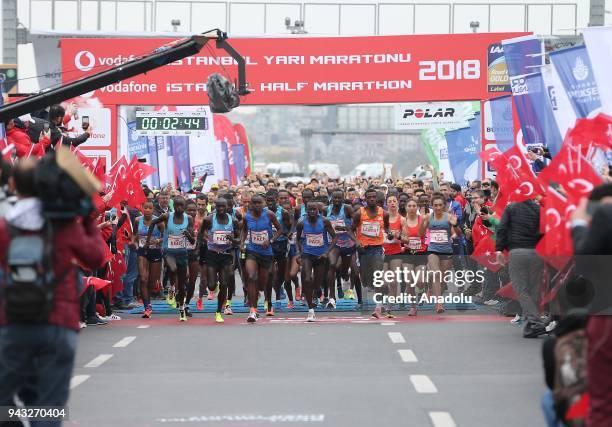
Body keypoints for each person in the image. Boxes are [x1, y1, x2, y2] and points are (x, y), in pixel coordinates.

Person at [0, 152, 106, 425]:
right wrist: (87, 218)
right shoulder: (65, 226)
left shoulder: (4, 226)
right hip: (58, 326)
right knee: (48, 408)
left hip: (12, 325)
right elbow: (95, 257)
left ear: (13, 185)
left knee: (5, 401)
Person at [495, 198, 544, 338]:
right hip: (536, 252)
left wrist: (499, 249)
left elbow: (502, 228)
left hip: (517, 251)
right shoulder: (539, 208)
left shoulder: (511, 208)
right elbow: (544, 230)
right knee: (534, 288)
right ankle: (531, 325)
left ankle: (535, 322)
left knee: (521, 289)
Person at [147, 196, 195, 322]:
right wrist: (148, 240)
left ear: (184, 207)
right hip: (168, 251)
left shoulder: (189, 219)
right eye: (177, 205)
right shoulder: (167, 216)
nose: (179, 208)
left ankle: (181, 309)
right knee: (172, 269)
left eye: (181, 206)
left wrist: (188, 234)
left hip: (182, 253)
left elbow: (192, 240)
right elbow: (153, 223)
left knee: (183, 285)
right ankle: (171, 288)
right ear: (174, 206)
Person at [241, 194, 283, 323]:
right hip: (252, 251)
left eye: (259, 203)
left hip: (266, 253)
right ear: (251, 204)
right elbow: (243, 231)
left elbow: (280, 230)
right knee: (252, 277)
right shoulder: (247, 216)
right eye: (254, 203)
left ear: (263, 203)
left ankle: (258, 296)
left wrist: (270, 240)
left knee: (261, 284)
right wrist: (242, 244)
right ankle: (253, 310)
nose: (257, 205)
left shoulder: (269, 214)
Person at [352, 187, 391, 319]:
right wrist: (357, 242)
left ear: (377, 198)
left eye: (374, 197)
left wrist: (389, 233)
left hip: (377, 248)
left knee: (378, 276)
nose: (372, 199)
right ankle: (384, 293)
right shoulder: (359, 213)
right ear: (365, 199)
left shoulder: (384, 213)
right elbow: (350, 230)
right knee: (366, 281)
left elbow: (386, 227)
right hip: (363, 250)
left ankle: (378, 307)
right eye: (369, 197)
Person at [199, 198, 239, 323]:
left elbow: (238, 238)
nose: (221, 209)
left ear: (228, 207)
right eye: (218, 207)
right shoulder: (209, 219)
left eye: (223, 206)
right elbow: (201, 234)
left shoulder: (233, 220)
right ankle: (213, 286)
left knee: (224, 283)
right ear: (215, 207)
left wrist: (233, 240)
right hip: (212, 254)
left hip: (226, 255)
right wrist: (208, 240)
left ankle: (218, 312)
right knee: (211, 285)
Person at [296, 201, 337, 322]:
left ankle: (314, 293)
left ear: (318, 211)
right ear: (306, 211)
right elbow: (298, 239)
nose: (312, 212)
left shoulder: (324, 221)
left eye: (314, 210)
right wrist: (300, 252)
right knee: (307, 279)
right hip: (307, 255)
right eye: (309, 210)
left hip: (321, 256)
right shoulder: (302, 223)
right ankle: (310, 310)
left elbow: (334, 237)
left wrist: (327, 252)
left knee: (317, 283)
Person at [420, 192, 459, 314]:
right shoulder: (428, 217)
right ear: (432, 206)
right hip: (433, 250)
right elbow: (421, 233)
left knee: (442, 280)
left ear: (444, 205)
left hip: (447, 250)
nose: (437, 207)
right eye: (435, 205)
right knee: (436, 274)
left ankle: (431, 289)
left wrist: (455, 225)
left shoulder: (449, 217)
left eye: (440, 205)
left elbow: (459, 233)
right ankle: (439, 303)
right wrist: (422, 221)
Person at [326, 190, 356, 309]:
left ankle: (346, 278)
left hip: (348, 244)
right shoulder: (326, 209)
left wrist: (347, 228)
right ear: (331, 198)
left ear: (343, 199)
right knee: (332, 265)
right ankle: (332, 298)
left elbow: (356, 221)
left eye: (339, 198)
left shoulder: (347, 208)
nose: (337, 200)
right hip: (333, 243)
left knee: (344, 271)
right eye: (335, 198)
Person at [134, 199, 164, 319]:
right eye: (145, 207)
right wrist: (134, 243)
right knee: (143, 279)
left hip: (155, 252)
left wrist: (157, 241)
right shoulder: (137, 220)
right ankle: (147, 307)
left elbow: (166, 236)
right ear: (142, 208)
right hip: (142, 251)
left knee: (151, 282)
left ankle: (149, 300)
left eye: (150, 208)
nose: (147, 210)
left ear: (153, 209)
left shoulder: (158, 222)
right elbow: (134, 234)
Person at [265, 189, 291, 315]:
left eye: (272, 201)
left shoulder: (284, 213)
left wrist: (283, 234)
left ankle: (279, 285)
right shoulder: (263, 213)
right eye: (268, 201)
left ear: (277, 200)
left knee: (281, 273)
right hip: (268, 245)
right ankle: (273, 297)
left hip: (281, 244)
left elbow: (289, 228)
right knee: (270, 272)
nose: (270, 203)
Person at [382, 193, 404, 318]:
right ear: (386, 203)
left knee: (394, 282)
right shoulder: (382, 217)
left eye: (394, 201)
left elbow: (406, 237)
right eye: (390, 201)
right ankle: (382, 303)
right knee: (384, 282)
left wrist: (398, 237)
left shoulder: (401, 219)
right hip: (383, 252)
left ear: (397, 202)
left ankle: (389, 307)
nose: (392, 203)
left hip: (396, 252)